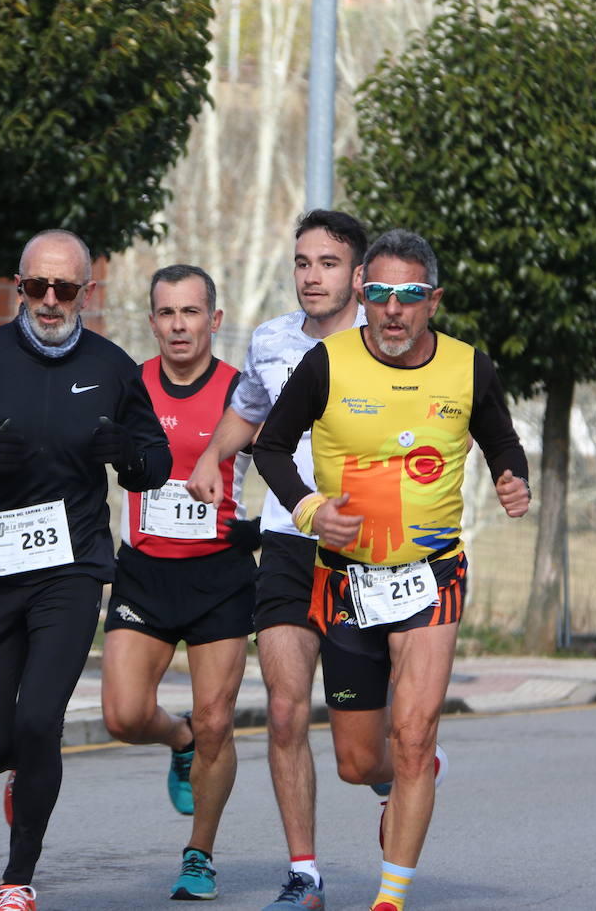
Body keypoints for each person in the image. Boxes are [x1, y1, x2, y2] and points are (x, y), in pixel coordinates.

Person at [0, 229, 171, 911]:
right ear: (20, 288)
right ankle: (16, 772)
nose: (50, 301)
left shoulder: (111, 367)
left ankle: (18, 877)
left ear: (85, 293)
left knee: (40, 720)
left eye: (65, 289)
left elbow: (155, 461)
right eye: (36, 288)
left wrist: (126, 456)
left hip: (71, 571)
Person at [253, 229, 531, 911]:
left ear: (433, 301)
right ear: (361, 295)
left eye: (410, 296)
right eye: (379, 294)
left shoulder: (470, 369)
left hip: (432, 574)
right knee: (358, 762)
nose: (394, 310)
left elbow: (501, 438)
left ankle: (390, 897)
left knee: (412, 735)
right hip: (348, 580)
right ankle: (414, 775)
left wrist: (511, 477)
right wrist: (312, 510)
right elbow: (271, 449)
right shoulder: (325, 363)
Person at [186, 208, 370, 910]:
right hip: (289, 539)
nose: (311, 276)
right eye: (302, 262)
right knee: (288, 714)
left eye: (326, 263)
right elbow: (248, 408)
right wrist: (211, 457)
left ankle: (398, 773)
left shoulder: (382, 341)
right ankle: (305, 875)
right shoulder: (269, 339)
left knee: (368, 753)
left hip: (365, 549)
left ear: (357, 275)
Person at [100, 264, 258, 901]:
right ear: (152, 322)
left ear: (213, 320)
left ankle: (200, 852)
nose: (178, 326)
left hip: (219, 574)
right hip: (143, 571)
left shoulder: (242, 391)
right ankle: (178, 735)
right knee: (123, 715)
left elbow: (288, 462)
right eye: (166, 314)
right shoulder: (129, 385)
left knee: (219, 719)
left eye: (190, 312)